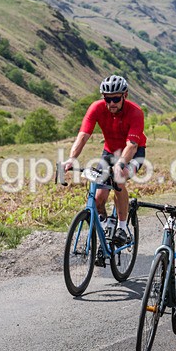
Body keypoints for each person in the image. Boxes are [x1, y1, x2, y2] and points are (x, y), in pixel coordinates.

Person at [63, 75, 146, 247]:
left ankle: (122, 227)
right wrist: (72, 158)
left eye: (116, 98)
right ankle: (105, 225)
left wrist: (121, 163)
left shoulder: (136, 112)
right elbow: (83, 135)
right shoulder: (96, 108)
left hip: (133, 153)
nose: (112, 103)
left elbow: (131, 146)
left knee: (119, 177)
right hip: (109, 152)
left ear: (125, 95)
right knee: (99, 198)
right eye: (108, 99)